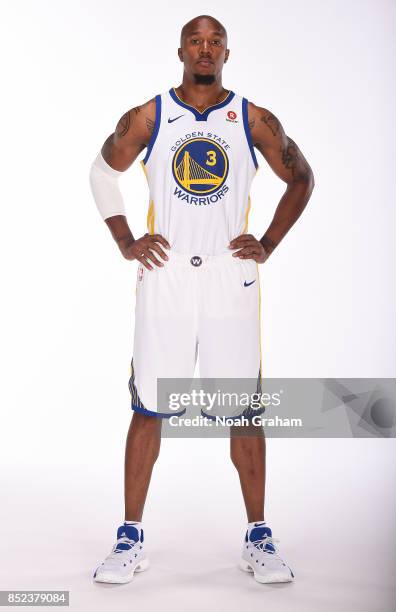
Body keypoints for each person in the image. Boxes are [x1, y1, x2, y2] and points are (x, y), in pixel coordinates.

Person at [89, 14, 314, 585]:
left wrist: (266, 242)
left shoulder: (253, 118)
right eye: (197, 40)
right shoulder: (150, 115)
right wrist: (124, 239)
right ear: (181, 51)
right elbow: (101, 171)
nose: (206, 49)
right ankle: (129, 536)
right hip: (164, 272)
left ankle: (259, 536)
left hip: (227, 274)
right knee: (148, 408)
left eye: (215, 41)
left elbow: (302, 178)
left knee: (243, 408)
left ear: (227, 54)